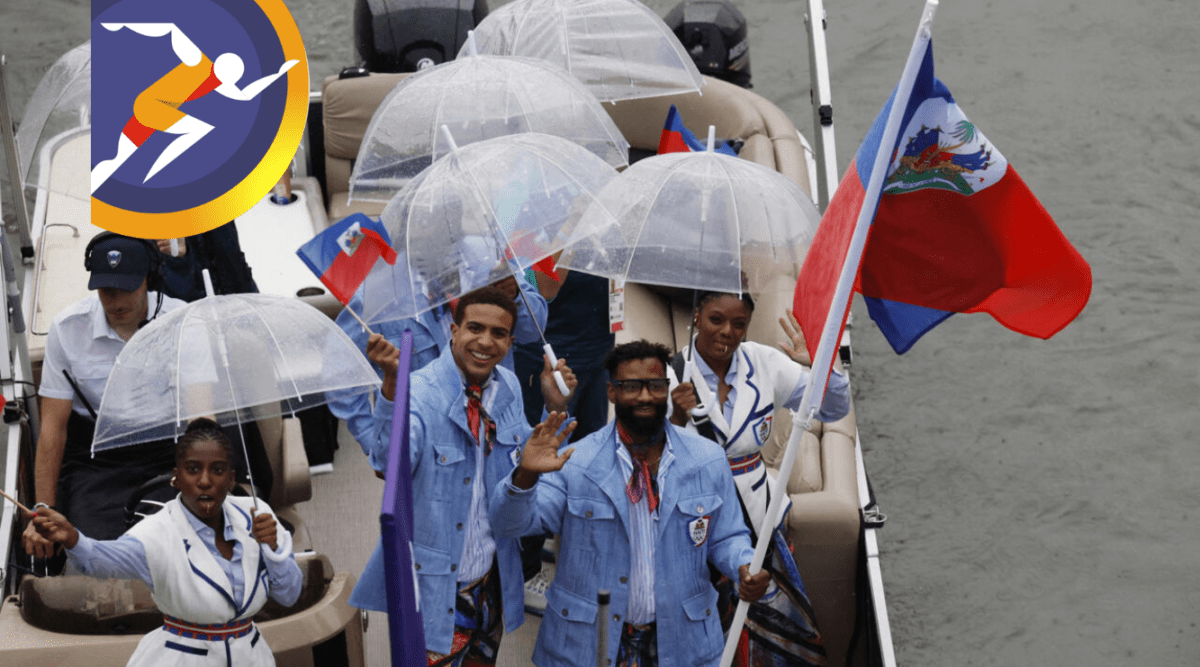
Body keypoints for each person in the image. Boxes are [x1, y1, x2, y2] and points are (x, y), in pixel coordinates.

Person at [491, 340, 771, 666]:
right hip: (587, 644)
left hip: (681, 643)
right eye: (631, 386)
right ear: (611, 392)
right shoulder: (577, 462)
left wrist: (744, 566)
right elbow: (509, 524)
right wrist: (525, 474)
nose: (644, 396)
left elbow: (727, 537)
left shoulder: (707, 459)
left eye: (655, 385)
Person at [352, 286, 574, 664]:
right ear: (453, 330)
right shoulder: (418, 391)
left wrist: (553, 406)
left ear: (511, 340)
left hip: (490, 579)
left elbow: (528, 458)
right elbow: (390, 468)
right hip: (432, 590)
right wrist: (393, 389)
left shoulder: (509, 387)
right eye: (474, 328)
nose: (485, 342)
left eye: (499, 333)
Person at [668, 291, 853, 666]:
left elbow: (834, 408)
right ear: (697, 316)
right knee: (703, 627)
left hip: (760, 521)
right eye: (716, 320)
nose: (727, 332)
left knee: (767, 632)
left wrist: (819, 363)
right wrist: (673, 418)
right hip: (691, 523)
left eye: (739, 324)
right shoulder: (668, 374)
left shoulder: (764, 362)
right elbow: (643, 458)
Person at [29, 418, 302, 666]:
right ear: (176, 478)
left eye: (217, 470)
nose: (205, 481)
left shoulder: (258, 515)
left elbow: (289, 596)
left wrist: (275, 550)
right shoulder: (156, 532)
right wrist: (73, 539)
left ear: (231, 479)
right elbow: (105, 560)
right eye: (193, 470)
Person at [23, 233, 188, 559]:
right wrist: (43, 509)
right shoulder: (67, 330)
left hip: (168, 451)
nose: (114, 300)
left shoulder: (183, 321)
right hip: (98, 460)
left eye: (126, 287)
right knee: (91, 551)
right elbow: (54, 428)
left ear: (148, 279)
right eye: (105, 289)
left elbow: (201, 416)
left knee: (174, 545)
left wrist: (198, 477)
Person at [329, 272, 547, 460]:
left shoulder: (488, 263)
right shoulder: (375, 294)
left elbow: (533, 331)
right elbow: (339, 372)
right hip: (428, 447)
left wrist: (515, 295)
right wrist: (371, 440)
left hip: (496, 431)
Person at [156, 221, 259, 302]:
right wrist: (179, 258)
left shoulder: (216, 203)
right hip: (197, 315)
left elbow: (233, 257)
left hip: (241, 302)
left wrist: (251, 296)